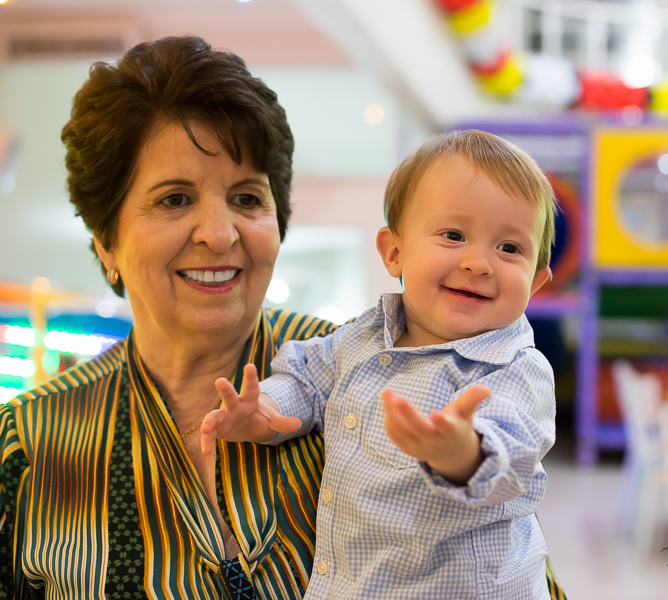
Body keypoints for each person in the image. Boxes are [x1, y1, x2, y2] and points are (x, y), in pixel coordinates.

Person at [0, 36, 567, 599]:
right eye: (174, 199)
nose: (219, 234)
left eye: (247, 199)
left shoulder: (383, 368)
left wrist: (466, 452)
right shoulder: (28, 442)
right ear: (106, 240)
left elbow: (509, 554)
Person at [201, 130, 558, 598]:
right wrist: (267, 408)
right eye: (453, 236)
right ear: (394, 252)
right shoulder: (364, 335)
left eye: (509, 248)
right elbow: (308, 376)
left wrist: (463, 452)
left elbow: (512, 454)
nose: (479, 263)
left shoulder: (515, 368)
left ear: (535, 282)